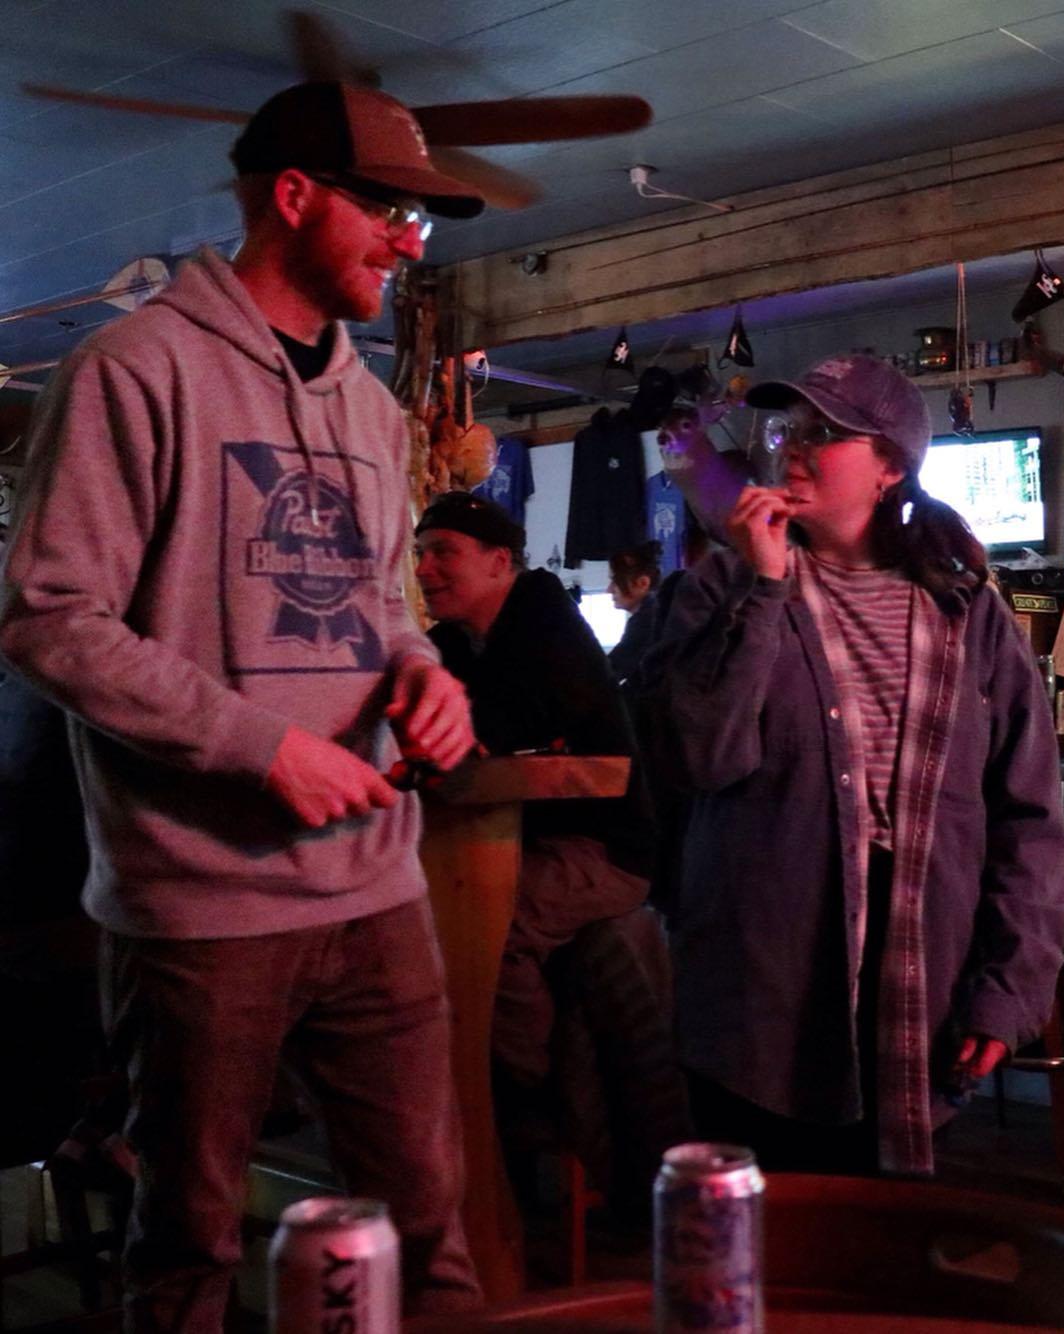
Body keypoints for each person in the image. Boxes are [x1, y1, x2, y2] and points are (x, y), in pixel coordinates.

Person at [0, 81, 489, 1330]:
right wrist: (260, 745)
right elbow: (51, 618)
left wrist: (424, 675)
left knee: (429, 1232)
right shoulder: (132, 368)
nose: (408, 240)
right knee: (189, 1254)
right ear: (293, 196)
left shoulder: (378, 414)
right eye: (386, 208)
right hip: (201, 906)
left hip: (377, 888)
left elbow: (383, 606)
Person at [647, 353, 1064, 1176]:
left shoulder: (965, 606)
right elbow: (701, 757)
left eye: (827, 433)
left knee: (878, 1250)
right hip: (761, 966)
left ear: (890, 466)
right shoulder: (715, 588)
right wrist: (762, 591)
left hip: (918, 964)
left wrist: (1010, 986)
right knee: (759, 1246)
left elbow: (1028, 815)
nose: (794, 450)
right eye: (785, 430)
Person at [414, 493, 655, 1088]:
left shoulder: (544, 626)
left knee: (490, 929)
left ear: (500, 562)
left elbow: (503, 732)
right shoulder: (454, 642)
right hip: (510, 838)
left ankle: (527, 1098)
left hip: (606, 850)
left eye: (443, 551)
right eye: (419, 553)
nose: (423, 569)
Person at [607, 540, 662, 687]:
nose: (609, 589)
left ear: (643, 583)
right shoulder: (655, 612)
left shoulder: (646, 621)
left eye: (615, 581)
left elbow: (611, 671)